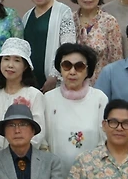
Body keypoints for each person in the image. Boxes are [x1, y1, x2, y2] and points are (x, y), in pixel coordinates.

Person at [43, 44, 109, 172]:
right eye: (66, 65)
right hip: (55, 174)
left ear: (88, 70)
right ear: (60, 68)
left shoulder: (99, 99)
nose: (72, 72)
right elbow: (43, 142)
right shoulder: (48, 98)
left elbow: (105, 140)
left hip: (91, 174)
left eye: (79, 66)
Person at [0, 38, 47, 153]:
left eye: (17, 60)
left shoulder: (34, 95)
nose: (10, 65)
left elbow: (38, 132)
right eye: (6, 59)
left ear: (25, 66)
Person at [18, 0, 77, 91]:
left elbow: (68, 47)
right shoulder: (27, 16)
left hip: (53, 81)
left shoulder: (63, 12)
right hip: (29, 82)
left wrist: (54, 75)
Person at [69, 0, 122, 85]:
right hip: (71, 84)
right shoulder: (68, 19)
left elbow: (116, 60)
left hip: (101, 85)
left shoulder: (109, 21)